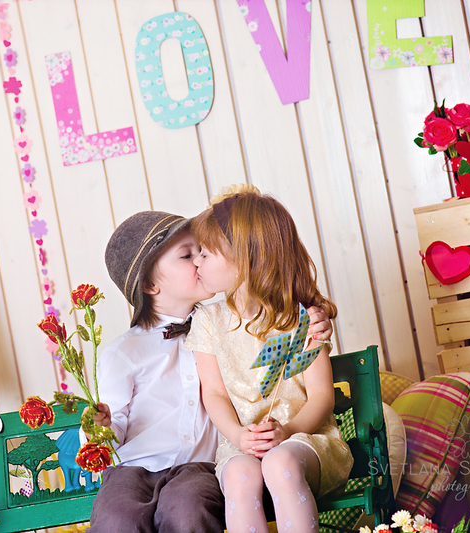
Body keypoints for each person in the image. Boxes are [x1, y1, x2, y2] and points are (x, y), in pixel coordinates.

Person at [87, 210, 333, 533]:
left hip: (199, 468)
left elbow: (273, 334)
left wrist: (314, 321)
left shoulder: (224, 326)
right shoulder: (123, 352)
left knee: (190, 512)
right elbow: (113, 427)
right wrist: (99, 427)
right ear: (150, 284)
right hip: (133, 469)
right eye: (187, 255)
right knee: (116, 520)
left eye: (203, 251)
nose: (199, 261)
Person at [184, 186, 353, 533]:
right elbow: (213, 393)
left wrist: (287, 431)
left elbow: (322, 395)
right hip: (242, 445)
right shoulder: (208, 321)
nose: (196, 261)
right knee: (238, 473)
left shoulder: (300, 319)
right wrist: (238, 435)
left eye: (205, 253)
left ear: (243, 259)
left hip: (305, 440)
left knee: (280, 463)